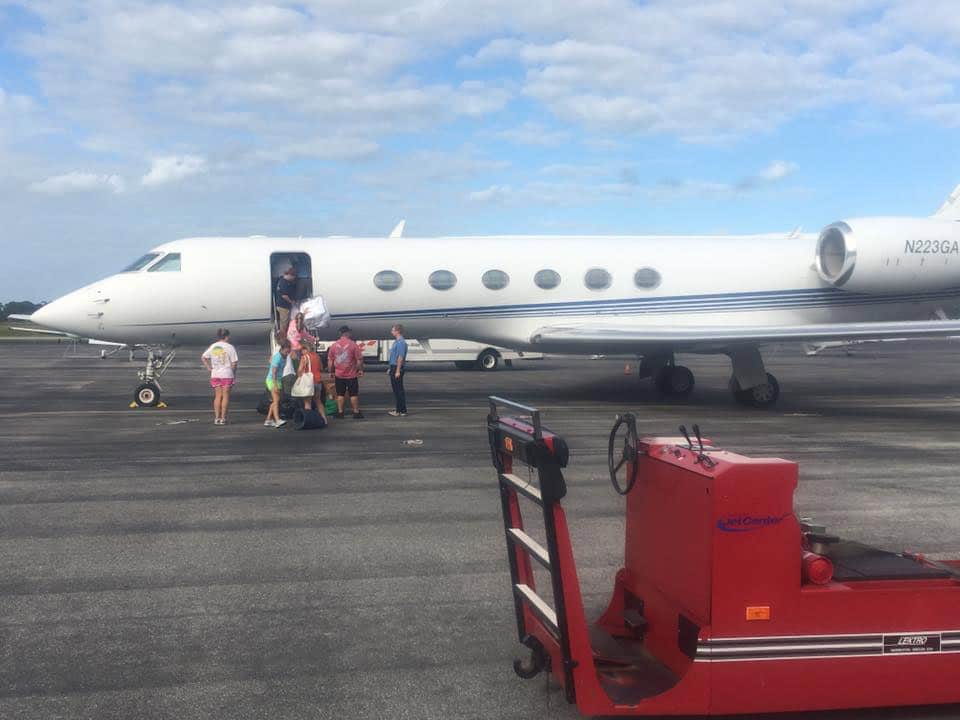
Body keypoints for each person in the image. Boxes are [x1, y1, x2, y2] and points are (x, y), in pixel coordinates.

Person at [201, 328, 239, 425]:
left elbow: (204, 357)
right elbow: (234, 363)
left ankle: (217, 418)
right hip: (226, 373)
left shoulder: (214, 346)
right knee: (225, 396)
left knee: (218, 396)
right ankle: (223, 418)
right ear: (227, 336)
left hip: (215, 374)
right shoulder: (230, 347)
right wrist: (233, 373)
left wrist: (209, 368)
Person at [327, 325, 365, 419]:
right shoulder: (353, 345)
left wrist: (331, 371)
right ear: (347, 333)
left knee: (340, 394)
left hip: (339, 375)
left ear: (340, 334)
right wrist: (360, 369)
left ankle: (340, 413)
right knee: (353, 394)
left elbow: (330, 360)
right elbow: (359, 359)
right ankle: (356, 412)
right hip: (351, 375)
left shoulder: (334, 345)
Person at [265, 339, 292, 428]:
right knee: (276, 400)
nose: (289, 351)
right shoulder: (278, 357)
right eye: (288, 349)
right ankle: (277, 420)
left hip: (279, 380)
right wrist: (275, 384)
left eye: (289, 348)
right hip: (272, 380)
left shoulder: (285, 356)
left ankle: (268, 420)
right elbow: (274, 372)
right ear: (283, 348)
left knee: (275, 401)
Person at [304, 340, 328, 423]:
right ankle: (324, 419)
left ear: (305, 349)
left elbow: (300, 370)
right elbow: (321, 368)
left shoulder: (305, 357)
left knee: (308, 401)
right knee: (318, 401)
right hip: (318, 381)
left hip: (309, 382)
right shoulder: (317, 356)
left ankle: (310, 420)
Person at [387, 323, 408, 417]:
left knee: (398, 390)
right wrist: (390, 368)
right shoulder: (396, 341)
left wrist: (397, 370)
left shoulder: (401, 342)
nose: (391, 332)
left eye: (393, 330)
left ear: (397, 331)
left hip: (397, 367)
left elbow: (400, 357)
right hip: (393, 366)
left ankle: (401, 411)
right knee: (396, 390)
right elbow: (394, 356)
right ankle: (400, 410)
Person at [274, 267, 297, 334]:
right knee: (284, 322)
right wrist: (291, 302)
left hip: (281, 305)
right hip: (283, 306)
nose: (293, 279)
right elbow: (284, 295)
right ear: (290, 275)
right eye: (293, 277)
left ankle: (284, 334)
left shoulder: (281, 280)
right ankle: (282, 336)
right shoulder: (284, 283)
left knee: (284, 321)